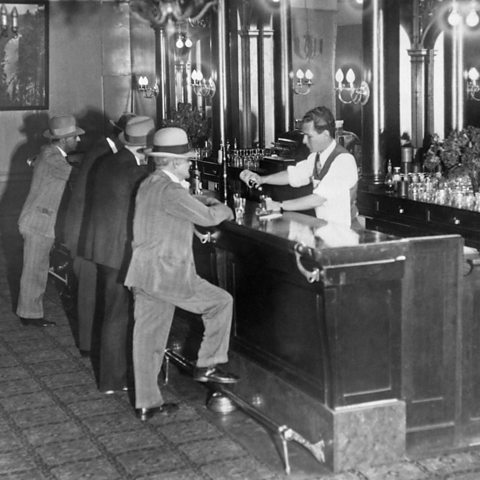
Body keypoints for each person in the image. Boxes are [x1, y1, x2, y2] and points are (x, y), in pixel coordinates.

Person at [124, 127, 239, 421]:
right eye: (187, 160)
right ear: (174, 164)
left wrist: (200, 204)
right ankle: (208, 363)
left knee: (148, 340)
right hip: (168, 274)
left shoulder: (150, 183)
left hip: (143, 273)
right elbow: (210, 218)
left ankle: (147, 403)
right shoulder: (172, 190)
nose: (190, 164)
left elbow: (172, 214)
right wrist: (225, 207)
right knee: (221, 302)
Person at [82, 115, 154, 394]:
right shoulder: (135, 173)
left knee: (112, 312)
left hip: (103, 247)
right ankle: (115, 379)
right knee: (119, 315)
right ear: (145, 147)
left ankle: (112, 377)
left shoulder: (109, 162)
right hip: (120, 251)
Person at [62, 113, 135, 357]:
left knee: (95, 291)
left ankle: (94, 345)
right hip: (86, 230)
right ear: (124, 136)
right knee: (88, 291)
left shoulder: (107, 150)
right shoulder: (104, 153)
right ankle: (88, 346)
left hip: (93, 230)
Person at [16, 114, 85, 327]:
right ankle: (29, 315)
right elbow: (75, 175)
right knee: (34, 269)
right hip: (38, 222)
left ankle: (30, 312)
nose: (79, 140)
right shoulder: (52, 158)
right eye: (75, 137)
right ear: (65, 140)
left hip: (39, 220)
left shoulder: (50, 153)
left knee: (38, 267)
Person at [240, 106, 359, 227]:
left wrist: (280, 205)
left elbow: (318, 199)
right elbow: (293, 175)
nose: (304, 141)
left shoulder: (343, 160)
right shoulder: (316, 157)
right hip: (325, 227)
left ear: (325, 134)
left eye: (309, 136)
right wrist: (262, 179)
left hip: (345, 230)